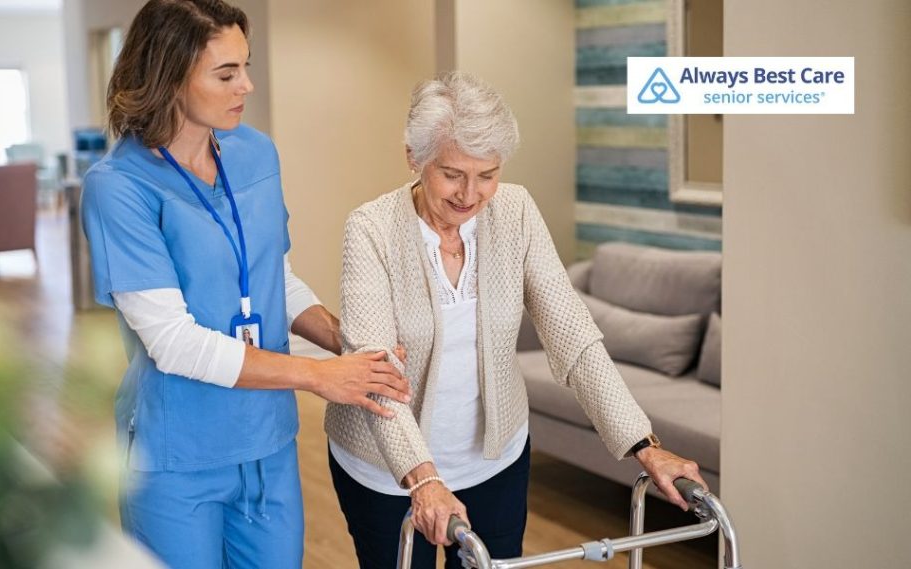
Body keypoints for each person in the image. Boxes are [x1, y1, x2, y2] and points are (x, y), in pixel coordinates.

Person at [324, 71, 706, 569]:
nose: (471, 193)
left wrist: (645, 446)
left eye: (488, 174)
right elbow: (376, 374)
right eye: (453, 173)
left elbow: (573, 337)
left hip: (494, 458)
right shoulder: (371, 230)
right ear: (415, 159)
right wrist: (423, 478)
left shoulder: (517, 211)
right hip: (386, 466)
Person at [79, 2, 410, 568]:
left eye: (245, 67)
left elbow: (271, 276)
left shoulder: (255, 152)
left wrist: (346, 343)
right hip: (177, 456)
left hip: (267, 443)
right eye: (226, 74)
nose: (247, 86)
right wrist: (319, 376)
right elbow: (173, 341)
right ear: (168, 75)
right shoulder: (119, 187)